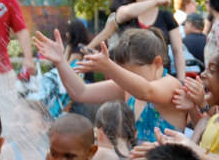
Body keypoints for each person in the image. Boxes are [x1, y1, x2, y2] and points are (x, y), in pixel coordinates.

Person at [35, 28, 186, 144]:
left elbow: (147, 91)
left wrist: (110, 68)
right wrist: (60, 62)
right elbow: (81, 92)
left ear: (157, 63)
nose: (125, 78)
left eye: (130, 73)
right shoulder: (128, 88)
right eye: (122, 72)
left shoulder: (171, 85)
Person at [116, 0, 186, 80]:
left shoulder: (166, 16)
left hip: (161, 80)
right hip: (131, 80)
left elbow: (178, 52)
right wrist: (157, 1)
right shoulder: (125, 12)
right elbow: (122, 14)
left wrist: (181, 81)